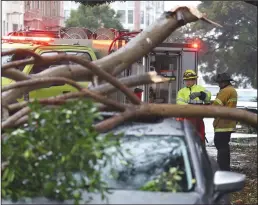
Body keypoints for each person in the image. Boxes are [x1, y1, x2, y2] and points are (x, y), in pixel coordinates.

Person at [176, 69, 211, 145]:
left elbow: (208, 98)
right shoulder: (181, 91)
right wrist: (191, 108)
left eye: (190, 80)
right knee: (186, 139)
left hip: (198, 119)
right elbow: (179, 102)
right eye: (186, 80)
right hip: (186, 119)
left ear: (194, 80)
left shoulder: (200, 89)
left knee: (200, 138)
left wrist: (200, 94)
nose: (188, 82)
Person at [212, 72, 238, 171]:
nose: (219, 85)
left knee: (220, 144)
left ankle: (222, 168)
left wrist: (205, 108)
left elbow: (216, 105)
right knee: (224, 146)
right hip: (228, 122)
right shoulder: (232, 90)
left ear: (224, 82)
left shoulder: (226, 91)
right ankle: (225, 167)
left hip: (223, 122)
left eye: (220, 82)